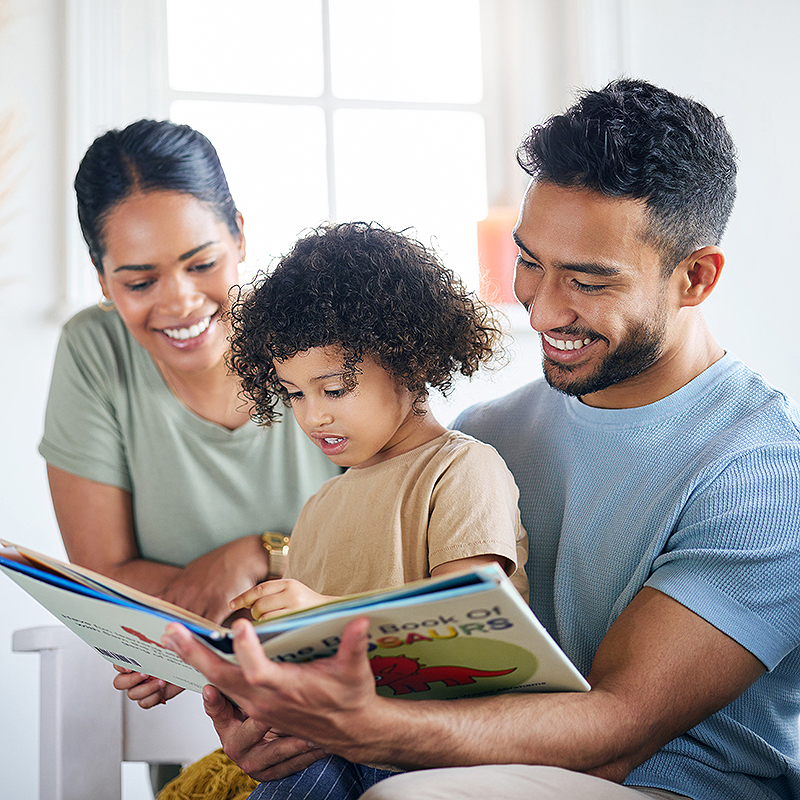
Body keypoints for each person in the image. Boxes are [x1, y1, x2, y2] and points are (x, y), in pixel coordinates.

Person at [160, 79, 800, 800]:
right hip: (471, 762)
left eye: (589, 281)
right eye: (531, 262)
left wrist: (368, 729)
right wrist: (283, 719)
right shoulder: (488, 433)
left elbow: (617, 732)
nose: (544, 309)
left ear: (695, 277)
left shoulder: (763, 477)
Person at [38, 119, 339, 787]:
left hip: (346, 708)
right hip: (201, 730)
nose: (179, 301)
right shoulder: (96, 352)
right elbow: (107, 584)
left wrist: (257, 554)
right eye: (139, 280)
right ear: (102, 278)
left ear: (238, 233)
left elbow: (400, 549)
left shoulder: (324, 334)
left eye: (202, 263)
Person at [226, 221, 528, 624]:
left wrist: (323, 611)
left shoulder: (460, 471)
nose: (312, 416)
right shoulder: (319, 508)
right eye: (294, 394)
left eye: (334, 389)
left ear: (410, 361)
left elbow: (469, 625)